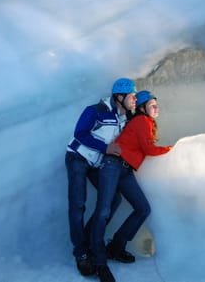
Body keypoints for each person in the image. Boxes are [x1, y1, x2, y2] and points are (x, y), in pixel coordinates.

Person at [89, 90, 172, 282]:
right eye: (152, 104)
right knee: (103, 211)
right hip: (113, 165)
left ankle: (116, 247)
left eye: (156, 103)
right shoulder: (142, 121)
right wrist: (172, 149)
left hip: (124, 169)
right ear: (142, 108)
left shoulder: (146, 122)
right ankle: (98, 260)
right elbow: (149, 148)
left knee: (143, 208)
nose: (156, 107)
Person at [65, 78, 138, 277]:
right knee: (78, 205)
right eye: (132, 96)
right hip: (78, 159)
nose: (134, 100)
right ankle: (81, 254)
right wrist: (106, 148)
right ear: (119, 96)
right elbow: (80, 133)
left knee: (114, 198)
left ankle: (89, 240)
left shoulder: (123, 118)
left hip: (96, 163)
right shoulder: (95, 110)